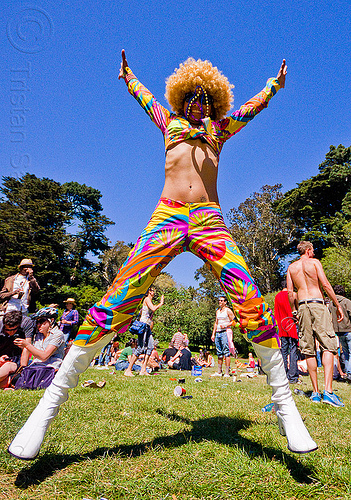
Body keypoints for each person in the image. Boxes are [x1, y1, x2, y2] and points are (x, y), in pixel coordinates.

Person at [8, 51, 317, 460]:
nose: (197, 102)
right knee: (116, 300)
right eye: (191, 95)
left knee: (251, 303)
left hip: (209, 220)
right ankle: (46, 410)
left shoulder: (220, 128)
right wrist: (128, 76)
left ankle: (286, 406)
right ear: (181, 97)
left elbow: (252, 108)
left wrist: (273, 87)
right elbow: (145, 96)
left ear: (214, 102)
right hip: (167, 218)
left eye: (205, 97)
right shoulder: (168, 121)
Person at [287, 241, 344, 407]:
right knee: (328, 346)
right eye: (312, 250)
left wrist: (294, 311)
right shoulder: (314, 262)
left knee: (308, 349)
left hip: (303, 305)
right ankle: (329, 392)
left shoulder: (291, 268)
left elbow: (291, 293)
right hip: (317, 304)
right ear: (309, 250)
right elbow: (325, 284)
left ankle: (316, 393)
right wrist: (337, 305)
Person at [13, 307, 65, 390]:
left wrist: (27, 345)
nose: (38, 325)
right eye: (37, 322)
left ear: (51, 320)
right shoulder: (38, 335)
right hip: (35, 367)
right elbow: (30, 352)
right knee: (13, 377)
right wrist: (23, 368)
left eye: (41, 321)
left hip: (50, 369)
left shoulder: (58, 334)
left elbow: (44, 356)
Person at [124, 286, 164, 377]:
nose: (154, 292)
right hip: (143, 326)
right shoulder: (147, 299)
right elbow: (153, 308)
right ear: (149, 292)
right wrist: (161, 303)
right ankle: (128, 369)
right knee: (141, 348)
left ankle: (143, 370)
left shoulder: (149, 301)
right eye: (153, 290)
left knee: (150, 347)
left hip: (147, 327)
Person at [0, 311, 35, 389]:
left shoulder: (26, 322)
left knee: (8, 367)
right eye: (7, 330)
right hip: (3, 356)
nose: (10, 332)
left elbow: (27, 346)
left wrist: (23, 370)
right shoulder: (0, 325)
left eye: (13, 329)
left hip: (16, 359)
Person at [274, 281, 299, 384]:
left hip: (282, 326)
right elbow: (297, 309)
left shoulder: (277, 296)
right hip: (292, 325)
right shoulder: (293, 295)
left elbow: (276, 313)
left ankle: (283, 373)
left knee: (284, 351)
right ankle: (292, 376)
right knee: (293, 350)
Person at [329, 285, 351, 383]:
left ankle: (348, 372)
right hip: (348, 329)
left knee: (345, 353)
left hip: (338, 331)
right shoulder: (347, 302)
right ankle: (349, 373)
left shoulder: (331, 303)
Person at [211, 296, 234, 377]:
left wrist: (226, 325)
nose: (220, 302)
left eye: (221, 300)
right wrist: (213, 334)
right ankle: (219, 371)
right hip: (218, 333)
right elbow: (216, 323)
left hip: (225, 332)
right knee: (219, 352)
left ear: (225, 302)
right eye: (219, 300)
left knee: (226, 352)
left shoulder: (228, 310)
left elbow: (233, 321)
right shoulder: (218, 311)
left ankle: (227, 372)